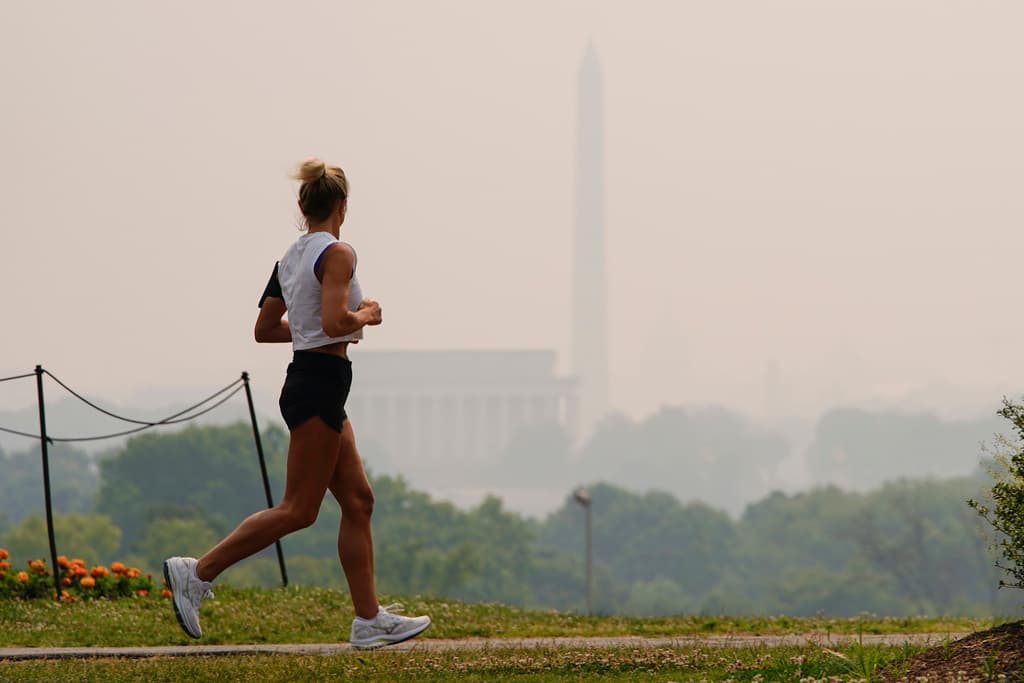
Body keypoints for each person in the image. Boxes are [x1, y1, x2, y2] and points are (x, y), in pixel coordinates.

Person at [164, 158, 431, 649]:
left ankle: (368, 620)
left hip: (312, 380)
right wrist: (366, 314)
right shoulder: (338, 253)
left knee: (358, 500)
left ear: (303, 206)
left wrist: (314, 329)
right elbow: (335, 322)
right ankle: (197, 572)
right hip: (320, 383)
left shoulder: (289, 257)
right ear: (343, 207)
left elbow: (266, 330)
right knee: (298, 509)